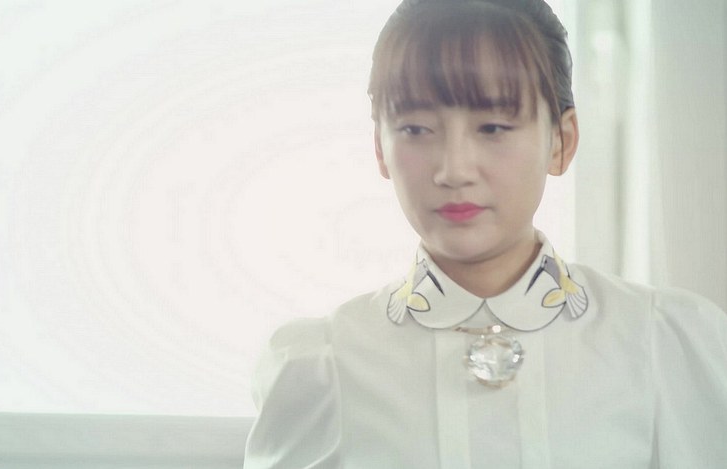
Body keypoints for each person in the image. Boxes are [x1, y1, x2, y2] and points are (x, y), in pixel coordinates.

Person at [243, 0, 727, 467]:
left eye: (493, 127)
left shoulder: (662, 342)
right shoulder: (324, 364)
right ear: (379, 147)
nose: (454, 170)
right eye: (415, 129)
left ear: (561, 141)